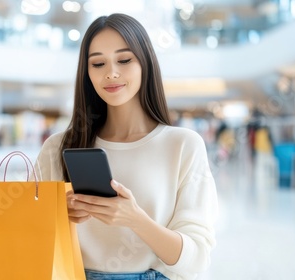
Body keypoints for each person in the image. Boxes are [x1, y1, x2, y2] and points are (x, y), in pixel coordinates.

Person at [33, 13, 218, 280]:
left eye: (124, 59)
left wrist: (134, 219)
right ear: (87, 72)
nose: (111, 73)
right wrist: (58, 213)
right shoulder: (57, 147)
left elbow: (196, 258)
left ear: (145, 63)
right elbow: (27, 232)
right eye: (98, 63)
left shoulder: (183, 145)